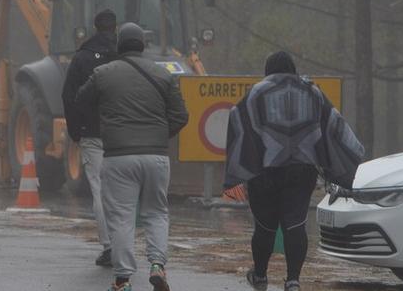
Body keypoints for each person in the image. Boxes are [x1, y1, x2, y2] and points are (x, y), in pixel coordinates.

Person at [224, 51, 365, 291]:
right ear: (292, 68)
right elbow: (334, 124)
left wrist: (237, 171)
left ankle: (260, 275)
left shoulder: (258, 92)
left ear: (268, 69)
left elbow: (238, 120)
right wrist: (350, 158)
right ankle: (293, 281)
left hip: (265, 171)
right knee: (295, 223)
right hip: (302, 170)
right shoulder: (313, 91)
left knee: (265, 226)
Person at [76, 22, 189, 291]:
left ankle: (123, 279)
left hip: (118, 157)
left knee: (122, 216)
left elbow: (81, 99)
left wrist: (106, 121)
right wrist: (159, 136)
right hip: (157, 157)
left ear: (119, 46)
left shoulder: (102, 73)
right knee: (156, 213)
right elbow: (181, 116)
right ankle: (158, 266)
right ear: (143, 45)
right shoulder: (163, 75)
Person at [61, 9, 119, 267]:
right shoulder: (127, 56)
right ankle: (129, 246)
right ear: (115, 28)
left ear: (95, 28)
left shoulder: (82, 58)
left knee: (99, 190)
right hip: (123, 134)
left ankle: (109, 247)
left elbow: (68, 95)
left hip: (92, 134)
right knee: (124, 192)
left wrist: (76, 131)